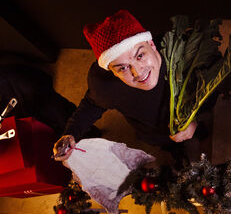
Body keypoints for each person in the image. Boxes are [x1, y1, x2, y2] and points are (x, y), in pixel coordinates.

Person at [53, 10, 209, 162]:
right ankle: (176, 151)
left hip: (193, 115)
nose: (138, 72)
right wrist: (71, 133)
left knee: (202, 129)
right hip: (153, 132)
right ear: (112, 72)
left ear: (151, 44)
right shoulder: (104, 85)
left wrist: (194, 120)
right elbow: (91, 105)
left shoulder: (183, 55)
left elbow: (208, 89)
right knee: (169, 145)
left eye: (140, 55)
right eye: (122, 68)